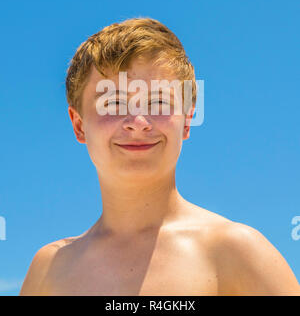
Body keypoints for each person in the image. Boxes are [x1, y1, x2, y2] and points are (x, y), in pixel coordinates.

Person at [20, 18, 300, 296]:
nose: (138, 121)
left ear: (187, 121)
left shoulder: (235, 252)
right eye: (114, 103)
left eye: (159, 102)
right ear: (79, 124)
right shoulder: (50, 269)